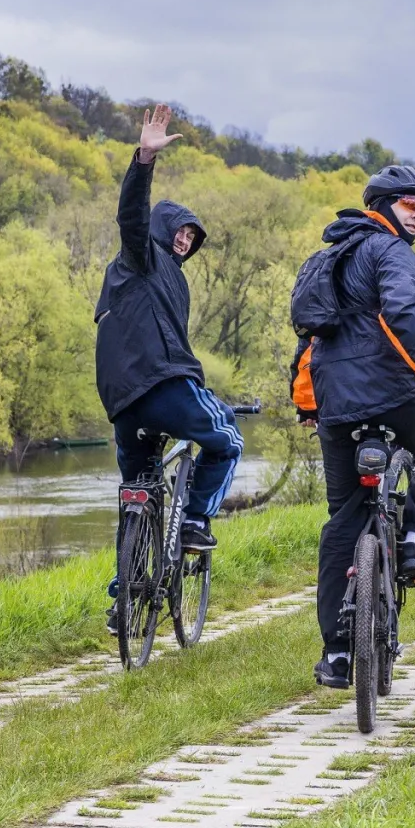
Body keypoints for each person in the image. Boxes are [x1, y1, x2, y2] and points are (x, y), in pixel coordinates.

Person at [309, 165, 415, 689]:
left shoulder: (326, 257)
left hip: (336, 404)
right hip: (393, 391)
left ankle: (336, 652)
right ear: (381, 204)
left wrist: (312, 402)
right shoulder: (391, 251)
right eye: (409, 204)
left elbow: (309, 335)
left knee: (345, 520)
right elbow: (403, 318)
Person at [95, 107, 245, 637]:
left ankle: (123, 596)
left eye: (192, 236)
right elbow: (131, 217)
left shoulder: (146, 281)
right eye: (179, 230)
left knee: (136, 491)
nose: (185, 239)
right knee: (228, 440)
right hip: (161, 384)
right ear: (161, 230)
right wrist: (144, 159)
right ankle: (197, 524)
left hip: (120, 401)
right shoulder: (141, 257)